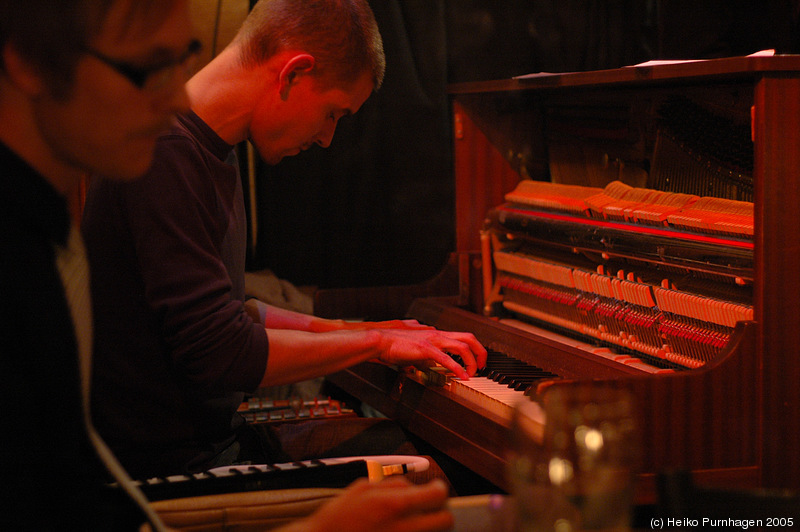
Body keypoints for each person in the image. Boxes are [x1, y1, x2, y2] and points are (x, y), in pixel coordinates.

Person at [82, 0, 487, 483]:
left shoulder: (210, 148)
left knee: (407, 447)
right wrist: (375, 342)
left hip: (214, 445)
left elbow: (235, 312)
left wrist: (357, 330)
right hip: (174, 471)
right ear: (293, 73)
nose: (328, 138)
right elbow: (221, 353)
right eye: (333, 112)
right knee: (431, 475)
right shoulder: (165, 155)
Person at [0, 0, 196, 529]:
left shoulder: (44, 223)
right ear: (29, 62)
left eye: (185, 59)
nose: (180, 99)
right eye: (150, 68)